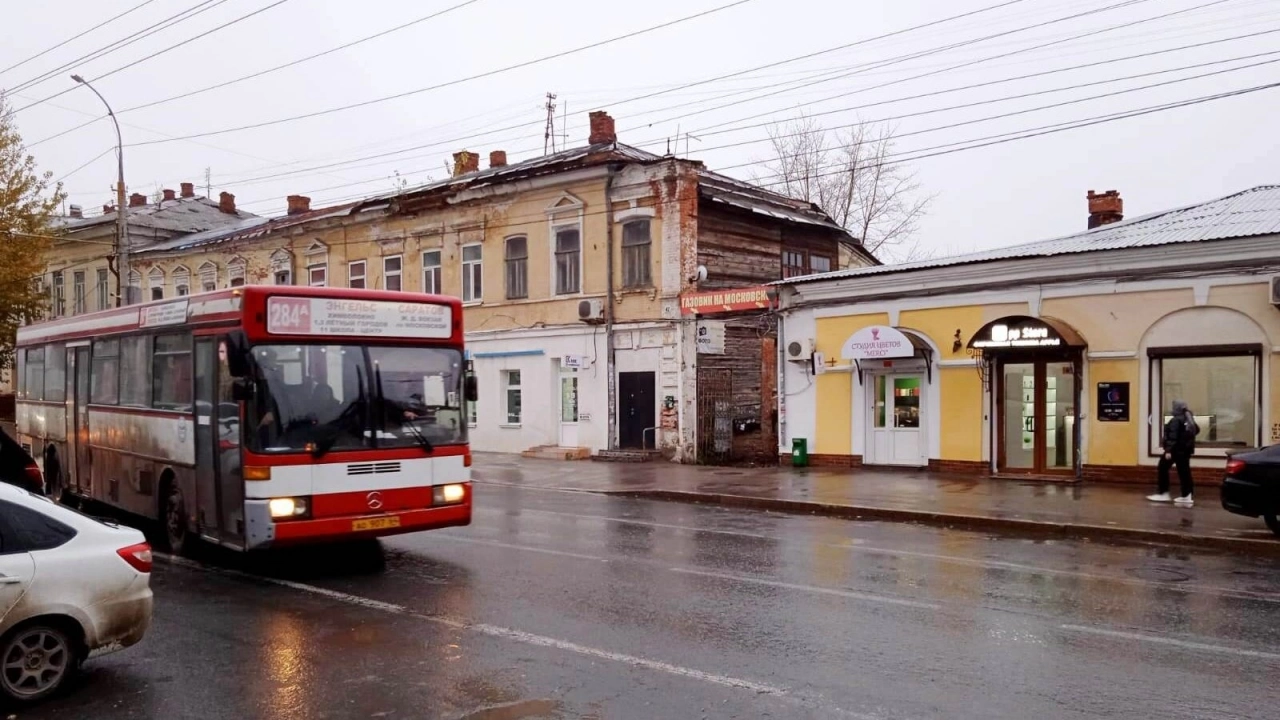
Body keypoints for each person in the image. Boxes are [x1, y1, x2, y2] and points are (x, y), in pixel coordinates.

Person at [1147, 400, 1199, 507]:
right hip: (1185, 450)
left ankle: (1164, 493)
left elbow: (1172, 437)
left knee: (1162, 467)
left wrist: (1168, 450)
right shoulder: (1189, 419)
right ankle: (1187, 495)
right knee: (1184, 472)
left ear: (1176, 409)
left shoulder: (1176, 420)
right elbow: (1196, 430)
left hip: (1175, 450)